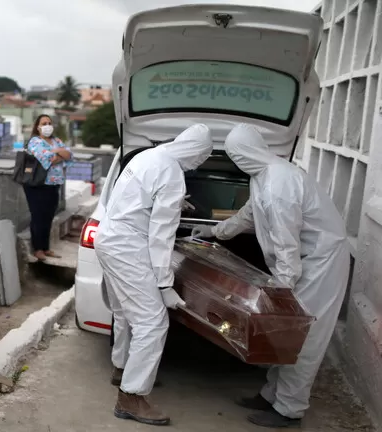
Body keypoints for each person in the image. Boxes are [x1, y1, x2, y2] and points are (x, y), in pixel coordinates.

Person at [191, 124, 351, 429]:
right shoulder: (263, 176)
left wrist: (283, 287)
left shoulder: (280, 183)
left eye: (238, 155)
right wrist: (215, 232)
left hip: (320, 263)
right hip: (304, 261)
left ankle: (289, 410)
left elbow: (285, 241)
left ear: (249, 151)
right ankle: (271, 395)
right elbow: (249, 215)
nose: (237, 162)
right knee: (285, 334)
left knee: (303, 337)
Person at [94, 124, 213, 426]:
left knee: (124, 311)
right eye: (202, 158)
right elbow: (161, 236)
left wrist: (173, 201)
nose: (198, 164)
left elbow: (133, 196)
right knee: (152, 321)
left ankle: (122, 368)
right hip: (128, 245)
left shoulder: (147, 156)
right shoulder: (172, 173)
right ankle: (131, 397)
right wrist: (164, 283)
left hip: (108, 236)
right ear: (196, 153)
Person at [24, 114, 72, 261]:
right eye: (44, 123)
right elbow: (47, 160)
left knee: (49, 216)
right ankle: (37, 249)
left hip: (54, 184)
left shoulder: (56, 140)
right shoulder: (34, 142)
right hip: (38, 184)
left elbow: (69, 155)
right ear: (38, 127)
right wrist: (59, 153)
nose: (47, 126)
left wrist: (56, 152)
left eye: (49, 123)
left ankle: (46, 248)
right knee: (38, 216)